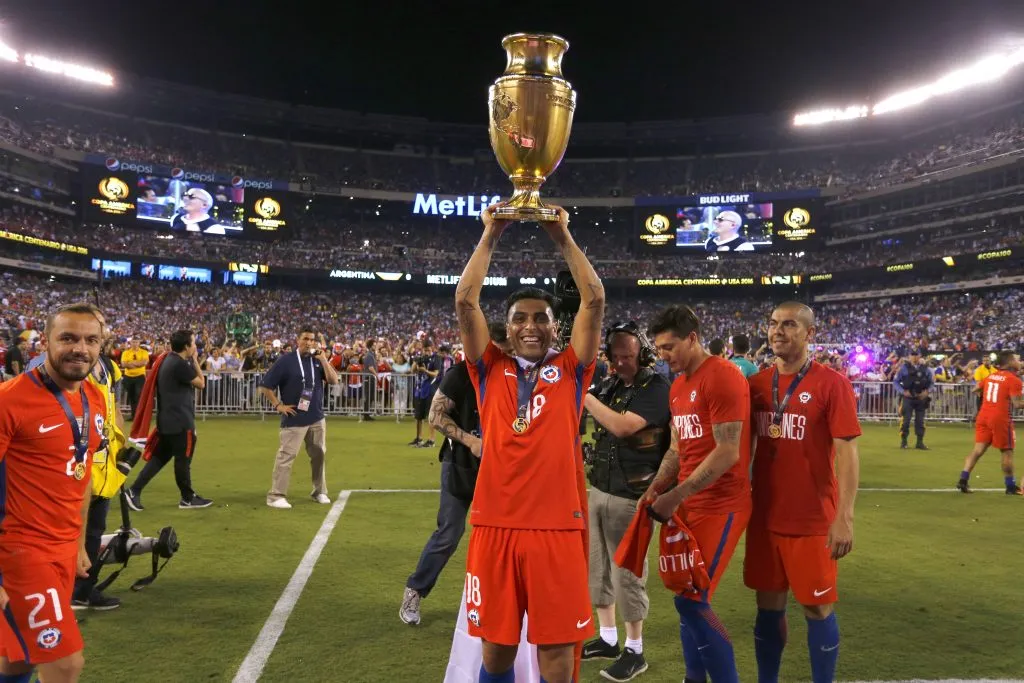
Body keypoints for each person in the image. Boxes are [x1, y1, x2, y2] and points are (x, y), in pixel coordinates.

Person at [456, 203, 604, 683]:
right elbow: (464, 301)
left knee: (557, 655)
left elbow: (595, 299)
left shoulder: (572, 370)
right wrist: (491, 235)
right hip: (495, 525)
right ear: (508, 326)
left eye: (541, 318)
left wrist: (561, 236)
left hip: (556, 530)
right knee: (496, 653)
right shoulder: (487, 367)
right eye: (520, 318)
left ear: (554, 327)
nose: (531, 326)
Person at [744, 302, 862, 683]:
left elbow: (847, 451)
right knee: (768, 608)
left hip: (812, 518)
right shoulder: (756, 384)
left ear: (809, 334)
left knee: (817, 608)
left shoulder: (832, 384)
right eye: (774, 323)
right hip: (763, 518)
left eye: (789, 325)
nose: (778, 331)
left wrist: (843, 517)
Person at [0, 302, 109, 683]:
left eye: (90, 340)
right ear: (44, 341)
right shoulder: (9, 400)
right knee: (65, 663)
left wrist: (79, 545)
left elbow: (80, 479)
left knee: (20, 658)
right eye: (68, 338)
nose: (80, 348)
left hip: (62, 551)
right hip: (21, 552)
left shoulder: (95, 399)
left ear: (100, 346)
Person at [643, 304, 751, 683]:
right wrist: (658, 486)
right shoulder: (678, 385)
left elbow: (728, 450)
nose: (663, 356)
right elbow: (677, 447)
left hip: (722, 504)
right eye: (658, 349)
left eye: (669, 347)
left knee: (692, 601)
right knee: (686, 599)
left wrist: (677, 494)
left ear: (692, 338)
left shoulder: (721, 376)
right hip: (689, 505)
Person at [401, 323, 513, 626]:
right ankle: (415, 589)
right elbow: (435, 415)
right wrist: (470, 440)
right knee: (449, 533)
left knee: (502, 537)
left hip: (500, 470)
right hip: (461, 465)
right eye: (504, 350)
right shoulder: (462, 373)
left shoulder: (514, 375)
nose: (509, 355)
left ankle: (497, 600)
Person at [579, 322, 670, 682]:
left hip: (632, 496)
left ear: (644, 354)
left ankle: (635, 650)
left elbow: (622, 427)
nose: (619, 364)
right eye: (614, 358)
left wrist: (584, 397)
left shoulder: (657, 388)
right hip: (601, 487)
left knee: (627, 575)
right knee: (598, 570)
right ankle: (608, 638)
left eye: (627, 357)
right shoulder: (615, 384)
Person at [73, 307, 130, 612]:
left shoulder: (107, 366)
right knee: (70, 527)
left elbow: (115, 407)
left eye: (102, 326)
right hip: (76, 461)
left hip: (103, 461)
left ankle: (83, 589)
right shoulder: (69, 366)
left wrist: (120, 442)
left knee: (94, 528)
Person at [124, 329, 213, 510]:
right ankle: (187, 498)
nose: (195, 347)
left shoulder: (166, 360)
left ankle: (134, 490)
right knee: (183, 460)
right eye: (194, 343)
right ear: (187, 346)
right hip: (181, 421)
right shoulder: (180, 364)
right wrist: (195, 360)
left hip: (167, 420)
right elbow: (201, 383)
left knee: (159, 458)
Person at [258, 329, 340, 509]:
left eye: (312, 340)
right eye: (305, 339)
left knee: (319, 455)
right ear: (298, 340)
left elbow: (334, 381)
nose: (309, 343)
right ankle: (276, 495)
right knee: (286, 456)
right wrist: (278, 405)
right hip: (294, 417)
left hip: (316, 417)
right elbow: (265, 386)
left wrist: (324, 359)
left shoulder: (317, 361)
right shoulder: (286, 361)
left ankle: (319, 491)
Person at [958, 350, 1024, 495]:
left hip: (984, 415)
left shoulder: (991, 376)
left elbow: (976, 388)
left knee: (978, 450)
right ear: (1011, 361)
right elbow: (1018, 404)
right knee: (1007, 452)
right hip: (1000, 418)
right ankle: (1010, 487)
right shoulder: (1014, 380)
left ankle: (963, 479)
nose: (1020, 362)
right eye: (1018, 359)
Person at [893, 349, 933, 450]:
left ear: (919, 356)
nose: (914, 357)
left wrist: (927, 391)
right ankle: (904, 442)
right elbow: (896, 382)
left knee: (920, 421)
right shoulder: (903, 368)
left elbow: (932, 383)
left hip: (921, 398)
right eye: (912, 354)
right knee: (905, 420)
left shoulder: (926, 369)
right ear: (909, 356)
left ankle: (919, 442)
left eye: (916, 355)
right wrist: (903, 391)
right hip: (908, 397)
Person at [409, 340, 441, 448]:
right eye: (425, 349)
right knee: (418, 416)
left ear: (432, 348)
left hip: (430, 389)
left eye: (428, 349)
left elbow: (436, 374)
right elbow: (412, 371)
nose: (426, 352)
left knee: (430, 416)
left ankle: (431, 440)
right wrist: (416, 363)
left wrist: (425, 370)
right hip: (419, 389)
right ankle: (419, 438)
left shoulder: (436, 358)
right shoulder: (420, 357)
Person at [119, 336, 149, 421]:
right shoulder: (126, 352)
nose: (135, 343)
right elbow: (124, 364)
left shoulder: (144, 352)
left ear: (139, 343)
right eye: (133, 342)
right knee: (132, 397)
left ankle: (140, 416)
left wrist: (131, 364)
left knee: (138, 395)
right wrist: (137, 363)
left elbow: (144, 363)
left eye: (136, 342)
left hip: (140, 376)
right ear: (130, 343)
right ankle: (134, 416)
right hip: (128, 377)